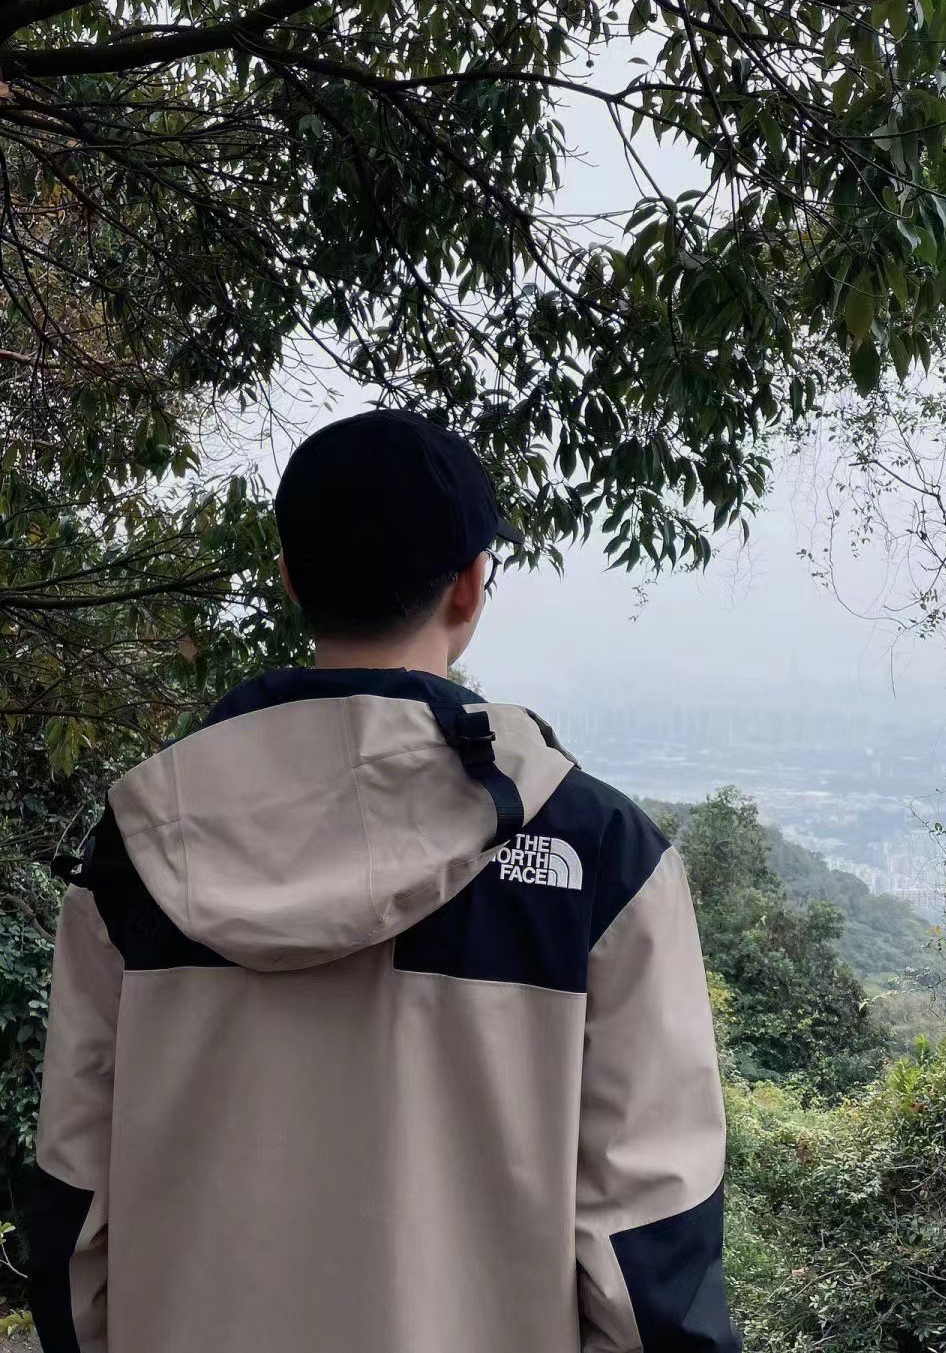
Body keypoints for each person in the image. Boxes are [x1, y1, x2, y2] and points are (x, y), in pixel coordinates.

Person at [27, 409, 741, 1353]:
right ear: (470, 585)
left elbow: (74, 1208)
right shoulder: (601, 856)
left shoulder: (143, 847)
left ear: (290, 578)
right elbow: (650, 1257)